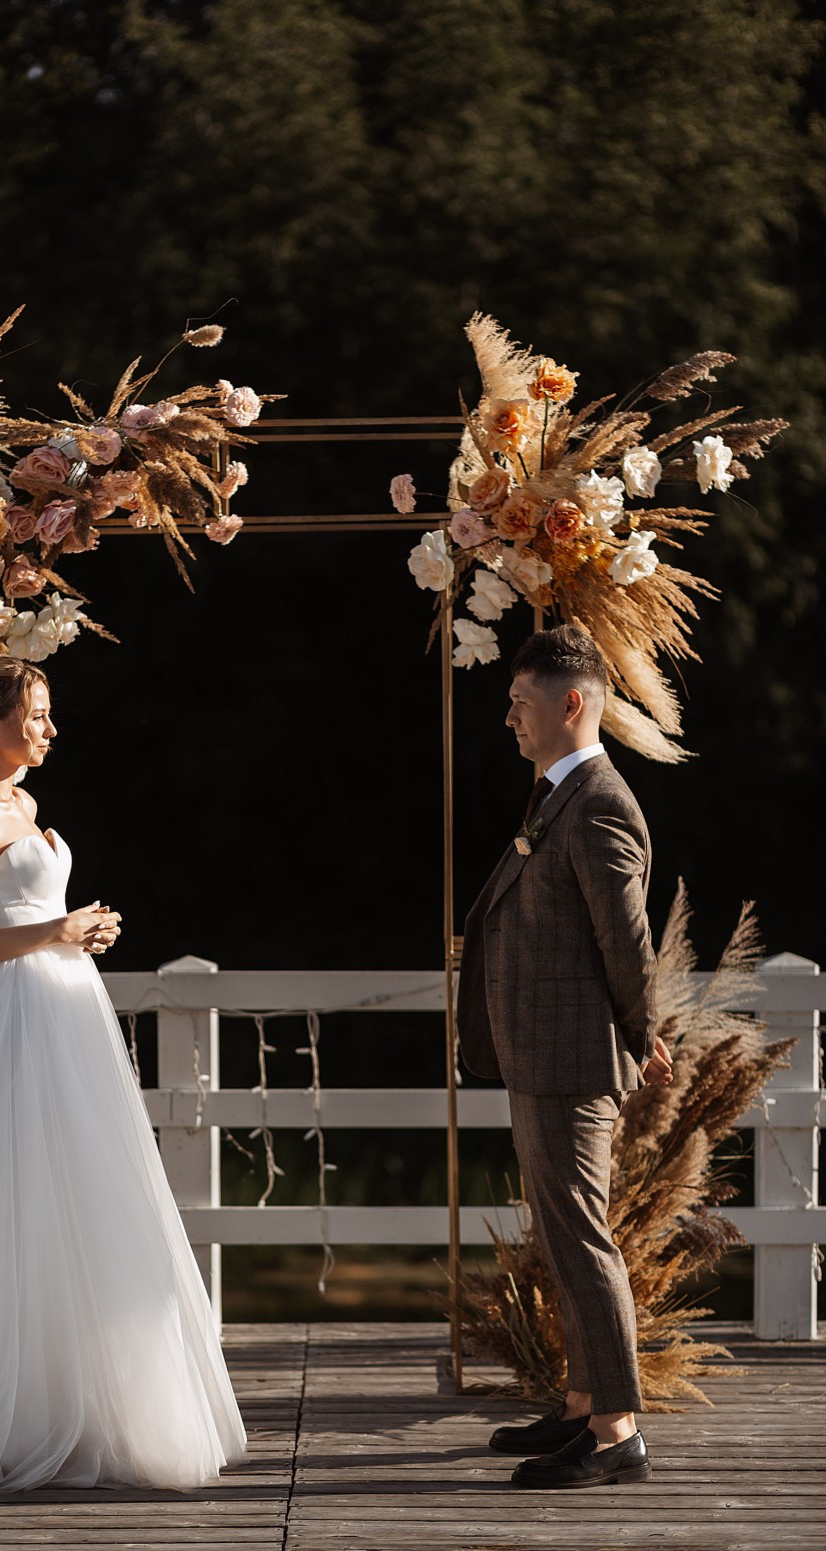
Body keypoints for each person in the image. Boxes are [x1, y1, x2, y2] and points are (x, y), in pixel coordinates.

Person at [0, 656, 246, 1490]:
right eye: (35, 714)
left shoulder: (26, 804)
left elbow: (29, 913)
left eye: (47, 712)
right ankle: (12, 1405)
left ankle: (88, 1392)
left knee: (83, 1188)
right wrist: (54, 932)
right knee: (14, 1192)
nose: (49, 727)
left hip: (66, 1010)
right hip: (10, 1020)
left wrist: (81, 931)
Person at [456, 624, 673, 1489]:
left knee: (582, 1240)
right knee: (561, 1234)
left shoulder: (600, 802)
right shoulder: (557, 796)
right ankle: (584, 1402)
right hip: (543, 1056)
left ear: (570, 702)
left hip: (574, 1059)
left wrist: (642, 1028)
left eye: (520, 700)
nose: (508, 716)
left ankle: (618, 1434)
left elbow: (628, 940)